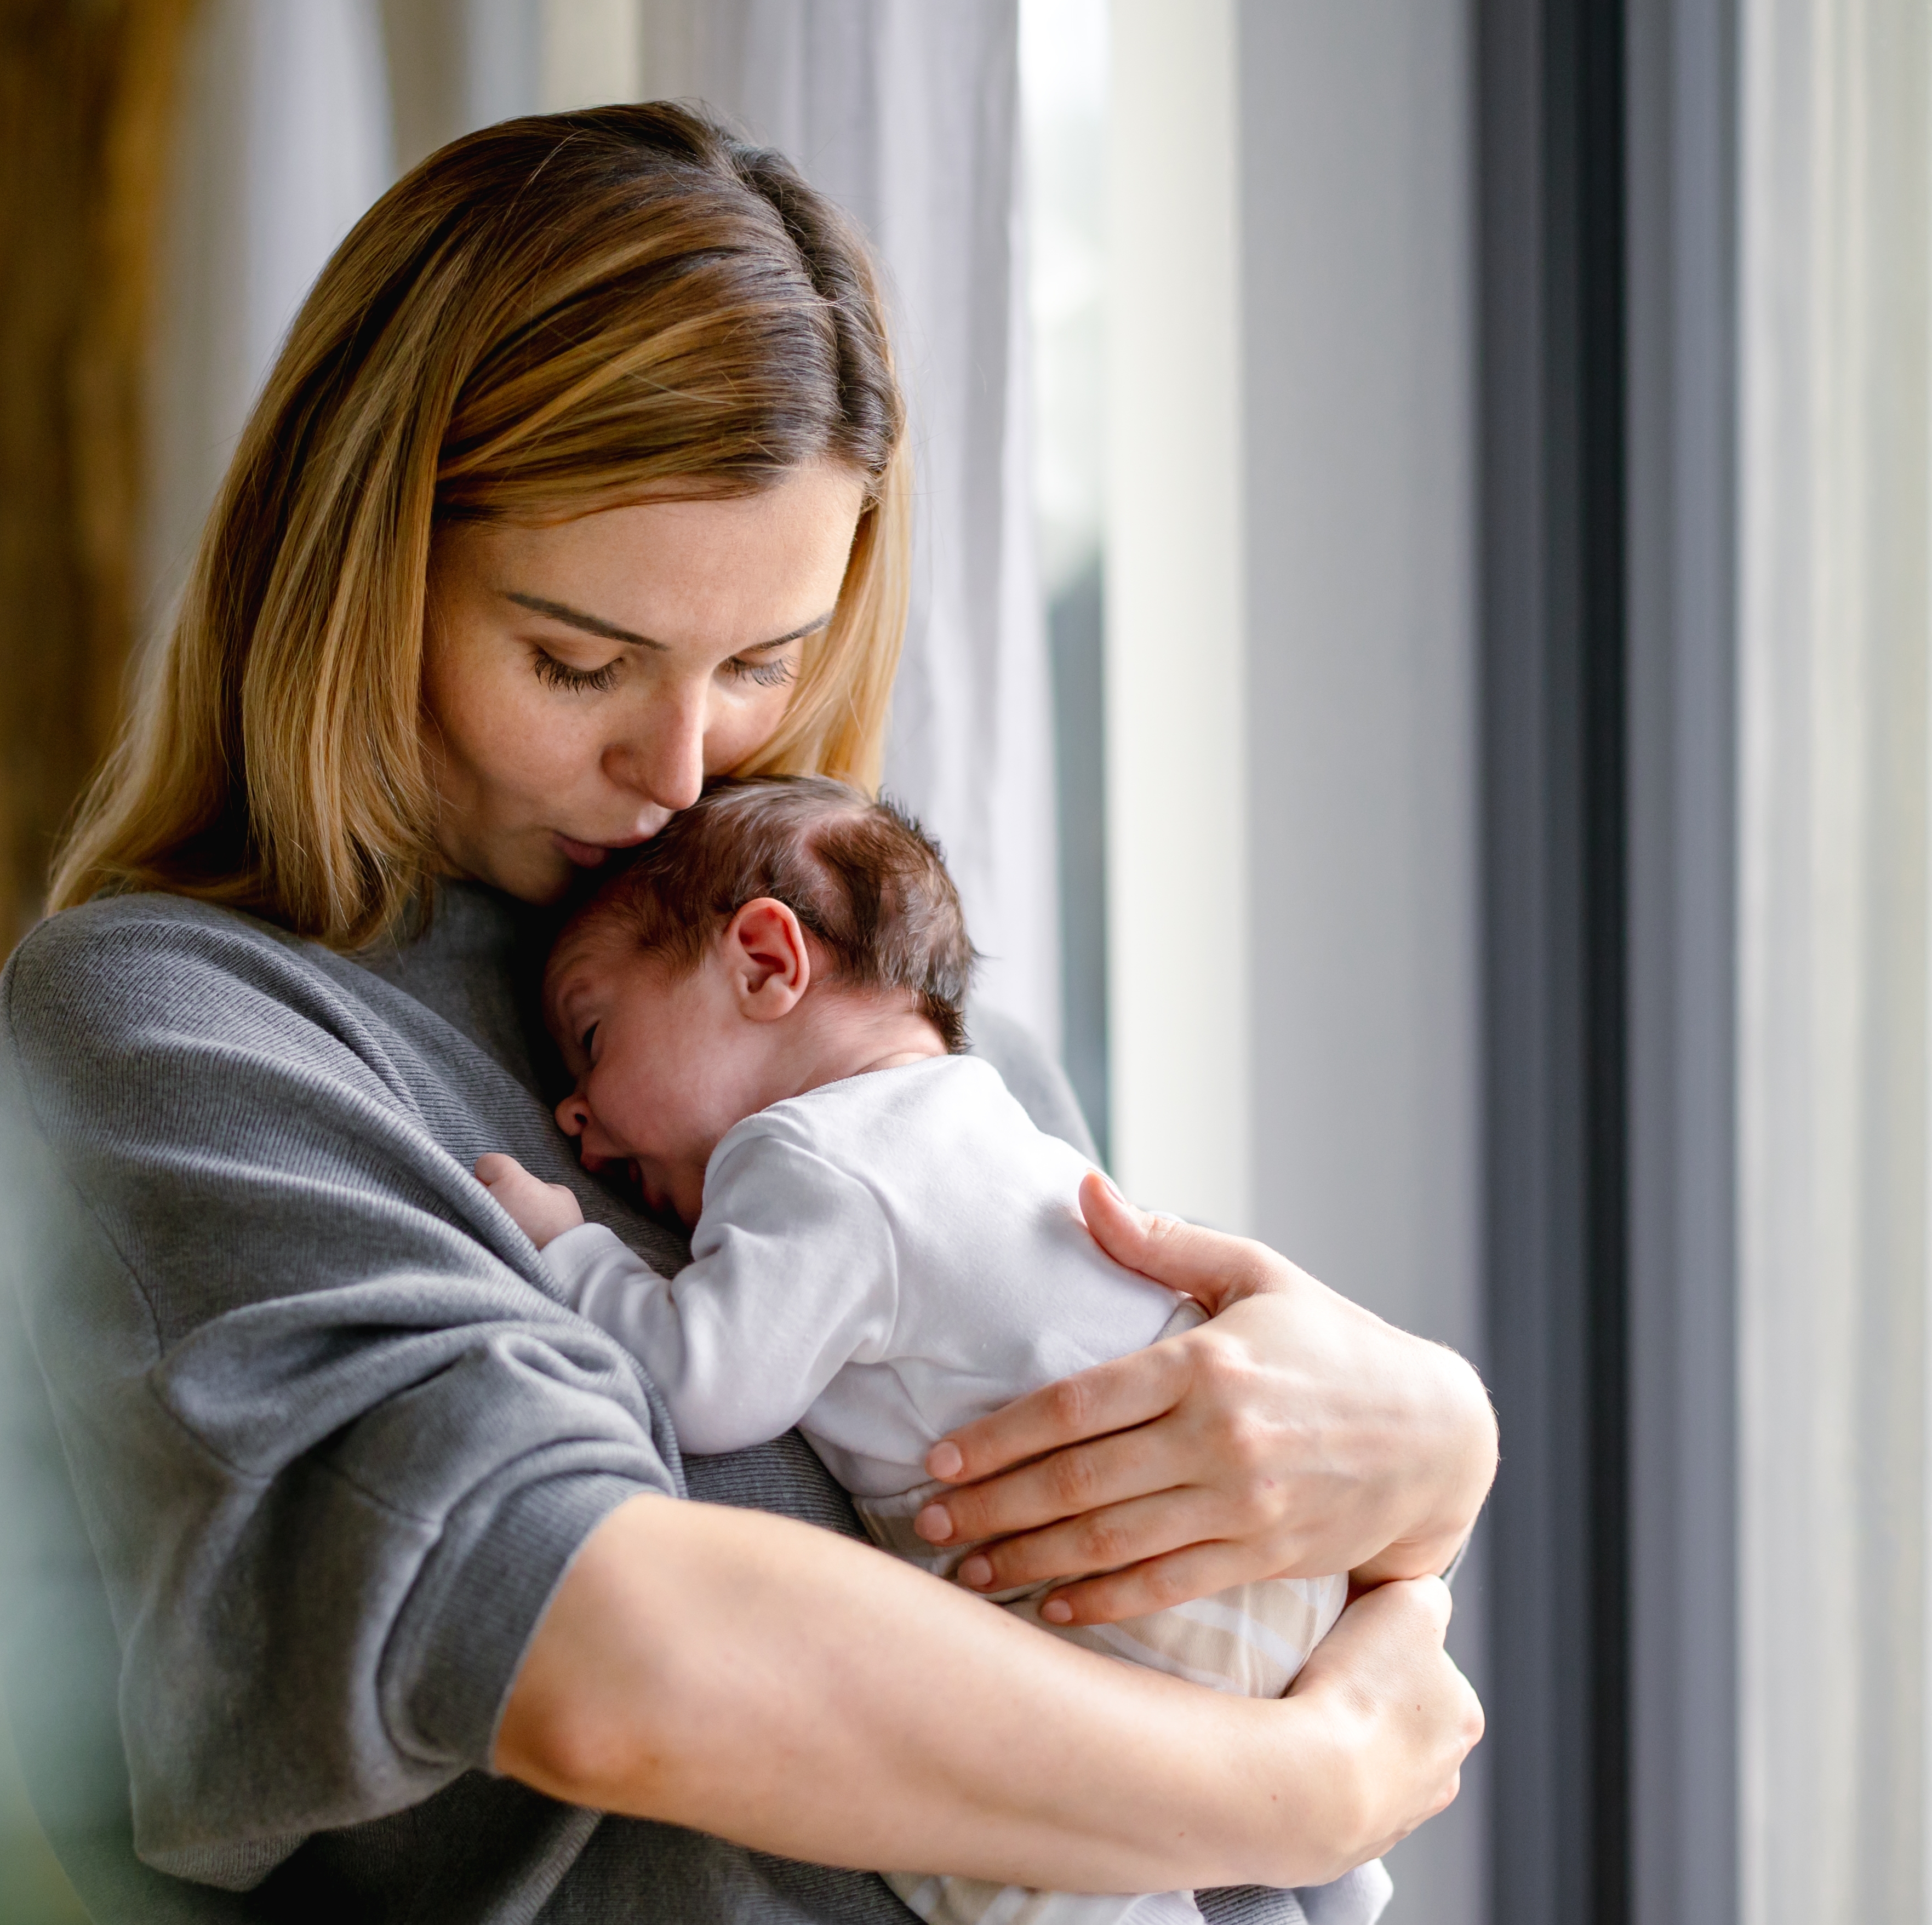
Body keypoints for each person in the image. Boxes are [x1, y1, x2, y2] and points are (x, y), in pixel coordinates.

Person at [0, 101, 1493, 1925]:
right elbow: (602, 1644)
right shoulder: (183, 1032)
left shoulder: (913, 1044)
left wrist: (1421, 1463)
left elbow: (1189, 1613)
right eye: (578, 661)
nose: (679, 766)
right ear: (363, 565)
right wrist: (1301, 1787)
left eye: (765, 663)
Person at [469, 774, 1392, 1925]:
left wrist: (572, 1247)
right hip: (1256, 1560)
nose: (573, 1114)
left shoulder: (812, 1156)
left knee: (988, 1842)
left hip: (1114, 1595)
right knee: (1291, 1838)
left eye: (593, 1036)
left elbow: (696, 1382)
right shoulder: (985, 1112)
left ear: (766, 962)